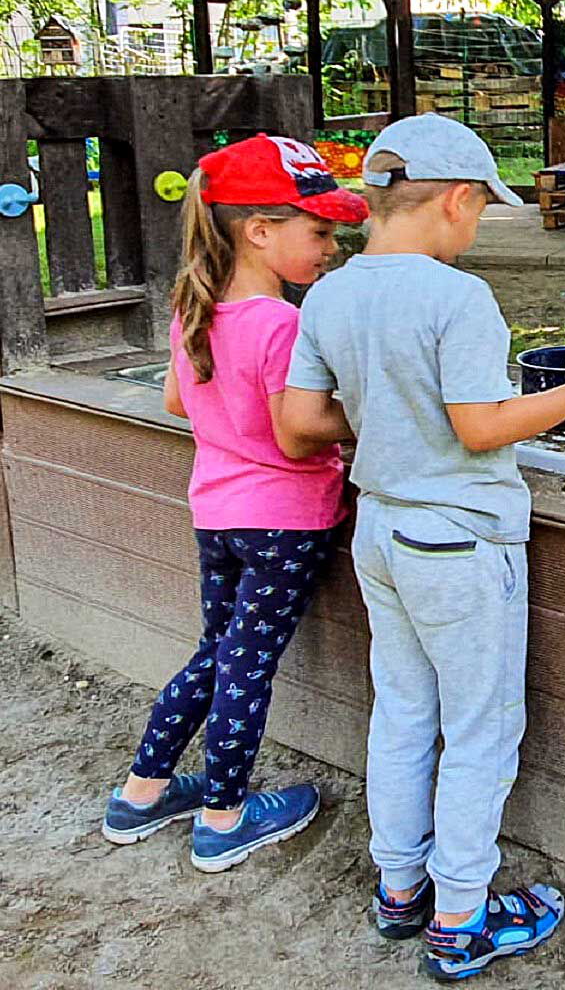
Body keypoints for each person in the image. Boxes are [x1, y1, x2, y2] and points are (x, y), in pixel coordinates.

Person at [280, 114, 565, 980]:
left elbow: (300, 423)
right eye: (482, 209)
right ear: (454, 199)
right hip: (459, 540)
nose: (478, 225)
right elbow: (481, 428)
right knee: (482, 728)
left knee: (404, 711)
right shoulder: (459, 297)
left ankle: (399, 889)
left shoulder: (330, 292)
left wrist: (389, 419)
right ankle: (461, 919)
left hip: (378, 530)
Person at [101, 134, 369, 872]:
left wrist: (234, 422)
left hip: (217, 512)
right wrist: (371, 413)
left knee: (218, 654)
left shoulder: (195, 308)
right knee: (247, 667)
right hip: (286, 519)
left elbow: (175, 399)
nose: (329, 248)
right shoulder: (282, 323)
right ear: (260, 231)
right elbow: (299, 433)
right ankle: (224, 816)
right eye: (318, 232)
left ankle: (143, 792)